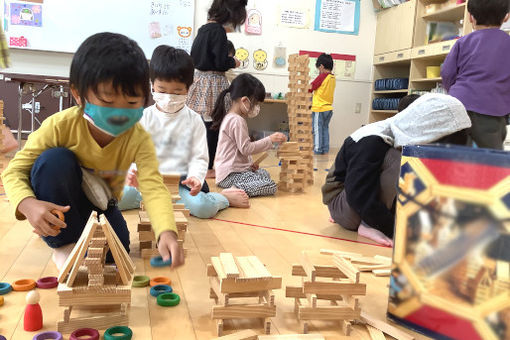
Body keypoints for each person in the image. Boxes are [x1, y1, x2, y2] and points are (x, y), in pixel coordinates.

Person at [1, 33, 183, 269]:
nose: (119, 113)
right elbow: (15, 171)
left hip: (100, 203)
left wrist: (166, 231)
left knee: (117, 252)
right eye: (108, 101)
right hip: (62, 202)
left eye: (131, 103)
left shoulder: (138, 137)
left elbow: (153, 187)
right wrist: (27, 205)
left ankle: (78, 239)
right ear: (78, 94)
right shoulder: (60, 126)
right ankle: (63, 244)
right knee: (53, 160)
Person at [322, 94, 471, 246]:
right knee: (401, 159)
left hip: (359, 200)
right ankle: (369, 225)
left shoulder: (397, 134)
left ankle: (377, 220)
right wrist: (395, 230)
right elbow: (358, 194)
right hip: (344, 205)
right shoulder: (372, 140)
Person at [118, 45, 249, 217]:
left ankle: (223, 197)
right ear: (152, 85)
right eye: (162, 90)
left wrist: (195, 177)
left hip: (179, 185)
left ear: (189, 87)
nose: (169, 97)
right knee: (117, 199)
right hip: (147, 184)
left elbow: (200, 157)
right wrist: (132, 173)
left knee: (203, 208)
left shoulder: (194, 120)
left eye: (177, 91)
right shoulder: (143, 118)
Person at [187, 0, 247, 178]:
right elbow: (221, 62)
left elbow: (195, 57)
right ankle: (209, 166)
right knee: (214, 125)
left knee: (202, 124)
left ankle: (200, 163)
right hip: (213, 82)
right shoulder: (219, 32)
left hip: (199, 80)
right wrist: (233, 62)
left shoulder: (203, 29)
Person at [441, 0, 510, 150]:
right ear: (506, 17)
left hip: (456, 106)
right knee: (488, 161)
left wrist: (454, 92)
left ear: (470, 17)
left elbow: (447, 73)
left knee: (450, 153)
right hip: (492, 111)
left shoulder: (463, 42)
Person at [213, 73, 287, 198]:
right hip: (230, 175)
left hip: (232, 172)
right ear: (245, 101)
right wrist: (270, 140)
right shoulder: (237, 120)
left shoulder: (232, 117)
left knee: (264, 174)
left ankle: (237, 186)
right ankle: (234, 190)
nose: (257, 107)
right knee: (270, 185)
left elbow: (239, 150)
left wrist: (248, 165)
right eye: (256, 103)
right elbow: (246, 148)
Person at [309, 53, 336, 155]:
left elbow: (311, 87)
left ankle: (317, 149)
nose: (318, 71)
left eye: (318, 69)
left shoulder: (322, 76)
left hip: (319, 108)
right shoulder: (332, 78)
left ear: (321, 66)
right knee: (325, 129)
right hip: (328, 108)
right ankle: (325, 149)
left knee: (317, 130)